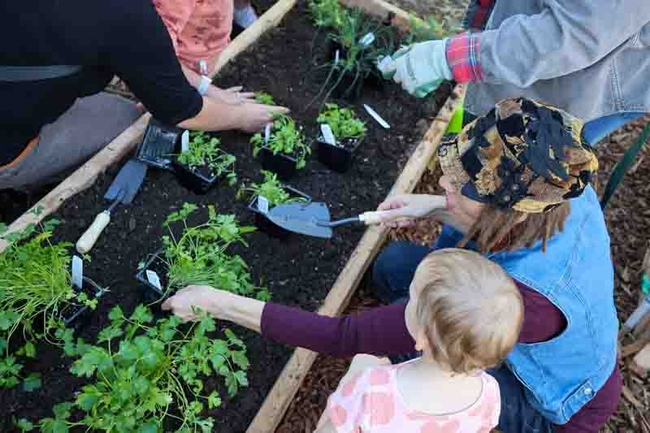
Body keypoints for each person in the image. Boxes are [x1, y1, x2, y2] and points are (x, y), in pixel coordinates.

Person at [162, 98, 621, 432]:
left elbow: (344, 337)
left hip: (554, 399)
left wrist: (217, 302)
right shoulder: (553, 193)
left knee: (413, 350)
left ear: (503, 210)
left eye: (460, 187)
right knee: (392, 267)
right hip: (520, 319)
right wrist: (428, 206)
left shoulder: (526, 299)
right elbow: (492, 225)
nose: (443, 180)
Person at [0, 0, 286, 192]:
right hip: (8, 147)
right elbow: (182, 111)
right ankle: (36, 186)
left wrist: (209, 89)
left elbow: (147, 58)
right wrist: (243, 116)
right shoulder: (124, 14)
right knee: (131, 125)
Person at [379, 0, 650, 145]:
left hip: (584, 82)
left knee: (508, 182)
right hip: (553, 55)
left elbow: (566, 36)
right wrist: (477, 35)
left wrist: (445, 58)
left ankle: (469, 243)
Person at [314, 249, 521, 433]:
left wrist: (351, 378)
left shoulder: (372, 391)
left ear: (422, 337)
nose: (406, 302)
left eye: (411, 298)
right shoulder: (489, 392)